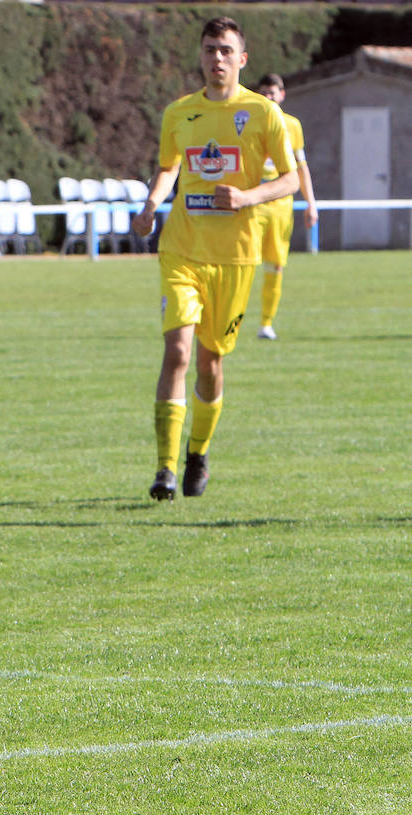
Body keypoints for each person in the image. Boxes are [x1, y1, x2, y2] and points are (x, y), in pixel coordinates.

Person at [131, 17, 298, 501]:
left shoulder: (263, 113)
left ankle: (197, 453)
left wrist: (247, 198)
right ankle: (163, 468)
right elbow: (168, 167)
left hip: (237, 256)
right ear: (200, 56)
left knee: (210, 362)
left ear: (242, 59)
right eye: (210, 50)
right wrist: (151, 205)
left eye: (226, 50)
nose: (217, 58)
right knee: (178, 351)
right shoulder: (179, 112)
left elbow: (289, 179)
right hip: (182, 249)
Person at [252, 73, 318, 341]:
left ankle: (266, 323)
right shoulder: (247, 122)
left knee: (275, 265)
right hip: (253, 201)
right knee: (242, 262)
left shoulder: (292, 126)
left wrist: (311, 203)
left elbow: (301, 167)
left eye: (273, 93)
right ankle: (231, 318)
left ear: (282, 95)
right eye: (264, 93)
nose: (269, 97)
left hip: (280, 204)